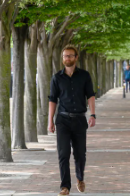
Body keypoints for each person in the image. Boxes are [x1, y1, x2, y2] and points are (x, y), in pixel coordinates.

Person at [48, 45, 96, 196]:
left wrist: (93, 114)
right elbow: (52, 100)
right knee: (63, 153)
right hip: (62, 119)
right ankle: (65, 187)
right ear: (62, 59)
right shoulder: (57, 78)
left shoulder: (84, 76)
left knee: (80, 153)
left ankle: (80, 178)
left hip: (79, 120)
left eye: (70, 56)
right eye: (65, 56)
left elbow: (91, 95)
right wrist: (50, 120)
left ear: (76, 57)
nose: (67, 58)